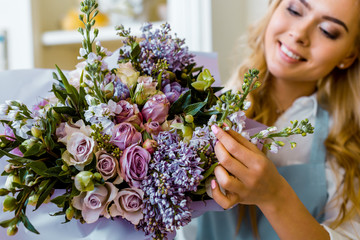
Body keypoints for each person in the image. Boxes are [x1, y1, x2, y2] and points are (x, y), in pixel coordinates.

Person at [196, 0, 360, 239]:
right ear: (273, 8)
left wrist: (273, 195)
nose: (300, 34)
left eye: (328, 31)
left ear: (348, 55)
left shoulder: (346, 147)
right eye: (294, 10)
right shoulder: (205, 106)